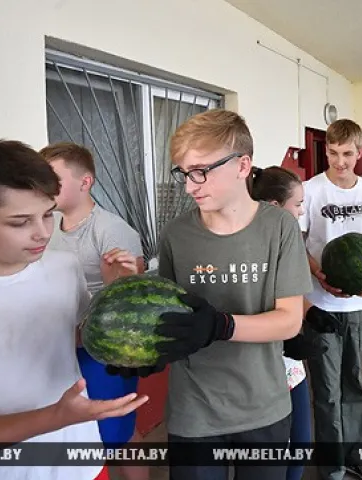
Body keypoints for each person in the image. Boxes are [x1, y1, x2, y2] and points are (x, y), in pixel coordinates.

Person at [0, 140, 146, 480]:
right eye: (20, 221)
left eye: (48, 214)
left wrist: (116, 294)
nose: (43, 233)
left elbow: (76, 340)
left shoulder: (64, 268)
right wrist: (53, 418)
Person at [113, 109, 313, 480]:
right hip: (195, 411)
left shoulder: (280, 227)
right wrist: (144, 351)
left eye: (201, 171)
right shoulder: (176, 234)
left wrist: (221, 325)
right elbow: (167, 314)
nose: (190, 186)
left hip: (263, 406)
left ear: (242, 166)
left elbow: (289, 320)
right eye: (184, 173)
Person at [40, 142, 149, 480]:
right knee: (78, 437)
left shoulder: (111, 230)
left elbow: (135, 296)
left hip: (101, 354)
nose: (44, 187)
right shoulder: (46, 228)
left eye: (53, 179)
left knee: (118, 437)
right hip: (60, 351)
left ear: (85, 183)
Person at [299, 119, 362, 480]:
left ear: (359, 153)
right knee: (326, 387)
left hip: (359, 306)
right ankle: (332, 464)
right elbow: (296, 243)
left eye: (347, 153)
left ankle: (355, 452)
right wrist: (318, 273)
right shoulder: (310, 190)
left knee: (354, 381)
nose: (339, 161)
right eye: (333, 153)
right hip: (320, 304)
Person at [249, 165, 332, 480]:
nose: (301, 211)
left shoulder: (290, 240)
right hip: (259, 368)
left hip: (290, 367)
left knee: (299, 443)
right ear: (273, 207)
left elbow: (291, 293)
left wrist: (311, 312)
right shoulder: (242, 247)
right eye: (297, 205)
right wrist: (282, 335)